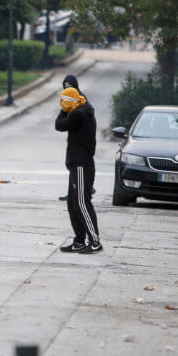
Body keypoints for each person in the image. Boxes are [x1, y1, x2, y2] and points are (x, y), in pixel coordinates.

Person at [55, 86, 102, 254]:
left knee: (82, 202)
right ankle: (80, 240)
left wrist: (64, 110)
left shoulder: (79, 114)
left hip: (82, 164)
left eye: (64, 101)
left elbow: (59, 125)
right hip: (77, 165)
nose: (62, 104)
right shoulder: (80, 111)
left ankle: (95, 241)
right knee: (72, 203)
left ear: (71, 102)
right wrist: (68, 108)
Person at [58, 74, 95, 201]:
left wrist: (64, 111)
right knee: (70, 163)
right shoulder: (70, 97)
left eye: (69, 85)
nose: (67, 88)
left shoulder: (78, 98)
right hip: (75, 138)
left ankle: (83, 190)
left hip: (81, 144)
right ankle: (73, 191)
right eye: (65, 86)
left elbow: (61, 124)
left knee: (73, 165)